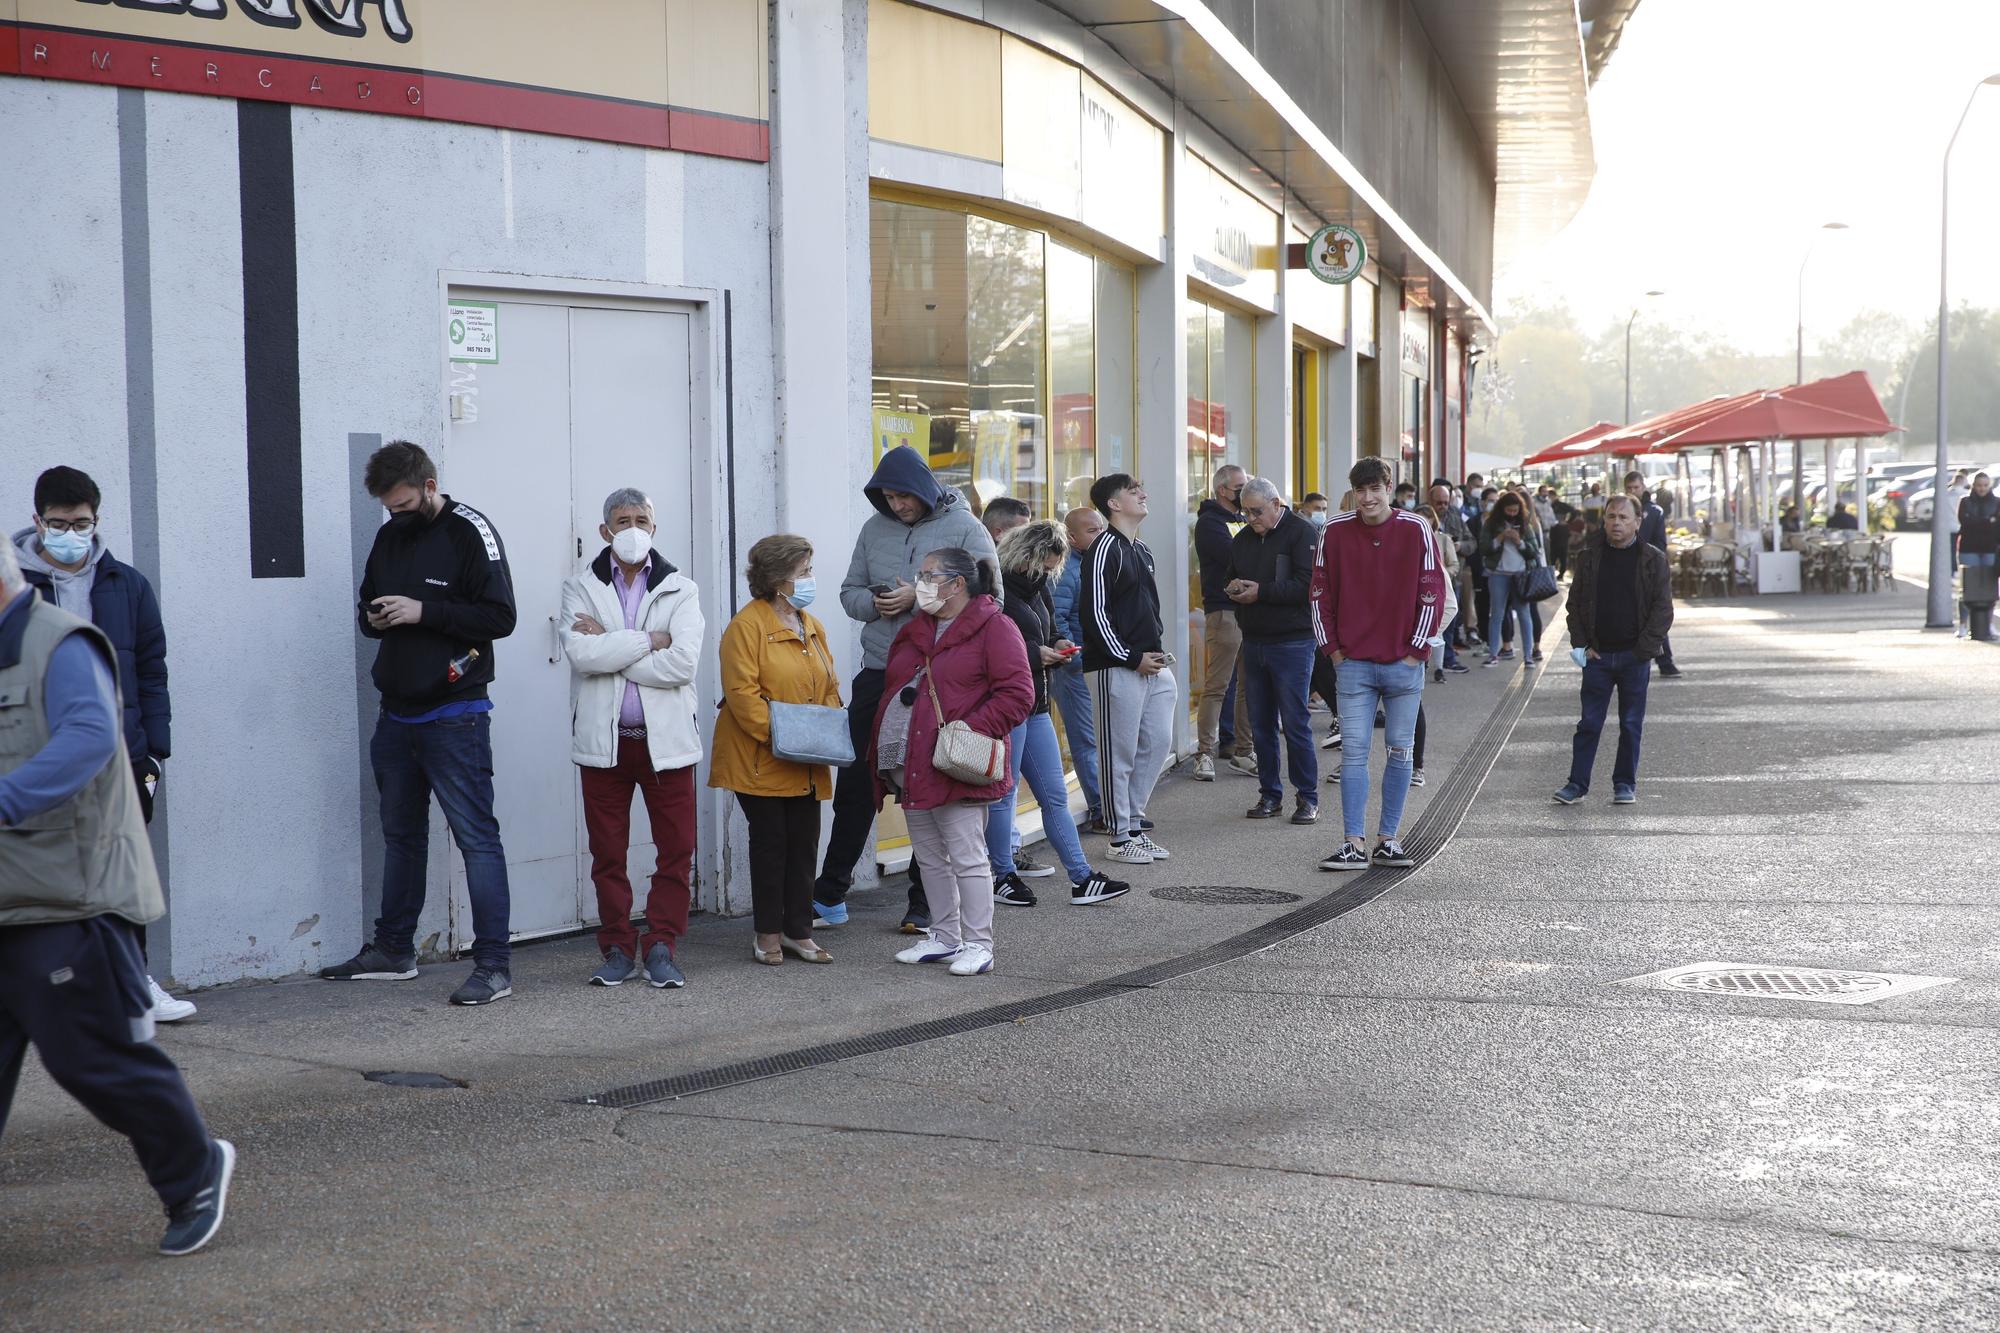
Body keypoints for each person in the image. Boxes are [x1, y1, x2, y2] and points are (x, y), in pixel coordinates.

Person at [0, 540, 235, 1256]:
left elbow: (92, 737)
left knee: (93, 1061)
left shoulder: (59, 643)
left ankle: (194, 1169)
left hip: (64, 900)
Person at [322, 441, 519, 1007]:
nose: (396, 516)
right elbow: (367, 610)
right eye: (389, 508)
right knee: (401, 837)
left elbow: (501, 617)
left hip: (455, 715)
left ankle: (494, 967)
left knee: (477, 840)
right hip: (397, 715)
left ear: (431, 486)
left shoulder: (470, 531)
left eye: (405, 505)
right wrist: (377, 617)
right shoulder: (389, 535)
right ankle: (393, 950)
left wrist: (423, 611)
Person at [14, 467, 186, 1022]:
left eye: (82, 523)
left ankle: (134, 984)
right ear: (36, 520)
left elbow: (152, 668)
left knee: (123, 873)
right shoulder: (11, 587)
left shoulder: (125, 583)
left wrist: (154, 748)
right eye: (59, 523)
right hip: (36, 757)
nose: (71, 533)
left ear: (97, 520)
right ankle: (42, 992)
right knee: (32, 872)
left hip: (122, 755)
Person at [820, 444, 998, 934]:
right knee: (857, 781)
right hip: (880, 669)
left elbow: (987, 596)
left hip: (941, 675)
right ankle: (830, 891)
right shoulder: (872, 529)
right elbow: (848, 593)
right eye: (888, 497)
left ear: (923, 487)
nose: (896, 505)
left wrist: (919, 599)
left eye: (903, 496)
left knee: (933, 784)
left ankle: (924, 905)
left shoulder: (965, 528)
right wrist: (878, 604)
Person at [559, 488, 704, 989]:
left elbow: (684, 663)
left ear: (655, 528)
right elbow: (583, 656)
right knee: (607, 853)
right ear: (605, 531)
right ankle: (618, 946)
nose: (633, 527)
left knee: (676, 849)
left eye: (642, 518)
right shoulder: (579, 587)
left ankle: (662, 943)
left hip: (665, 744)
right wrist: (650, 640)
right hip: (606, 743)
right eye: (623, 520)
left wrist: (612, 643)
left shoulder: (680, 589)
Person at [870, 547, 1034, 977]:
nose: (919, 583)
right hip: (916, 761)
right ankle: (944, 937)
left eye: (928, 575)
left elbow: (1018, 695)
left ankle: (980, 943)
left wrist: (967, 730)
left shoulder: (995, 627)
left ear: (957, 583)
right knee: (927, 855)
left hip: (958, 760)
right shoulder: (918, 629)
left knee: (967, 855)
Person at [710, 534, 842, 964]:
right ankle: (767, 933)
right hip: (761, 758)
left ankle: (798, 931)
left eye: (809, 570)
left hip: (805, 758)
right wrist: (786, 736)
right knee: (772, 845)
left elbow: (829, 685)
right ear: (777, 578)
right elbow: (742, 695)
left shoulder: (811, 624)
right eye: (803, 572)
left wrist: (823, 727)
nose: (809, 579)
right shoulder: (746, 627)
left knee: (804, 845)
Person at [986, 521, 1130, 907]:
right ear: (1025, 557)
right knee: (1004, 796)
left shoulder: (1036, 591)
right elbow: (989, 649)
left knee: (1053, 797)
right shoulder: (996, 592)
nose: (1048, 573)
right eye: (1044, 566)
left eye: (1052, 567)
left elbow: (1045, 633)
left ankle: (1082, 877)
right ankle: (1002, 874)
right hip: (1007, 707)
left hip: (1034, 705)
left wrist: (1057, 643)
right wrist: (1038, 654)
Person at [1312, 457, 1445, 872]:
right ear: (1352, 491)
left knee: (1401, 752)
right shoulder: (1333, 531)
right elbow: (1319, 595)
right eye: (1360, 490)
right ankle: (1352, 841)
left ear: (1389, 488)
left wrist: (1416, 651)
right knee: (1353, 754)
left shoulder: (1416, 528)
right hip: (1352, 663)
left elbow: (1432, 591)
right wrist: (1332, 650)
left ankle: (1389, 839)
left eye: (1375, 489)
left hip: (1403, 664)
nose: (1368, 498)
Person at [1080, 474, 1177, 867]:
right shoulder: (1104, 548)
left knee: (1157, 743)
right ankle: (1119, 836)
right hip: (1114, 666)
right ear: (1114, 504)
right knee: (1117, 753)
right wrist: (1129, 656)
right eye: (1134, 491)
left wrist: (1153, 654)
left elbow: (1147, 611)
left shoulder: (1143, 550)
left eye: (1143, 487)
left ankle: (1134, 824)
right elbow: (1094, 613)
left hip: (1151, 664)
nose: (1144, 493)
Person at [1553, 494, 1673, 806]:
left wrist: (1643, 650)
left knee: (1631, 724)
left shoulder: (1653, 559)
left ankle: (1624, 784)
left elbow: (1663, 610)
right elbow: (1575, 605)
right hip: (1598, 656)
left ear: (1637, 521)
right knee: (1589, 723)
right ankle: (1576, 784)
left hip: (1634, 657)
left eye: (1622, 517)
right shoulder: (1590, 557)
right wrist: (1582, 645)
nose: (1616, 522)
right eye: (1611, 517)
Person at [1226, 478, 1320, 825]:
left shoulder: (1302, 533)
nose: (1251, 518)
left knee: (1295, 723)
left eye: (1257, 511)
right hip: (1254, 639)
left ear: (1277, 504)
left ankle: (1307, 797)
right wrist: (1235, 590)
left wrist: (1260, 592)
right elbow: (1231, 576)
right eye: (1245, 512)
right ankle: (1270, 795)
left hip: (1293, 641)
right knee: (1261, 725)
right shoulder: (1242, 539)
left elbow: (1308, 585)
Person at [1192, 464, 1254, 782]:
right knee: (1217, 685)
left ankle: (1243, 751)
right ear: (1222, 490)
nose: (1245, 491)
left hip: (1249, 613)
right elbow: (1239, 557)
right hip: (1223, 612)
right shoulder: (1209, 523)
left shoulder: (1242, 519)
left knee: (1246, 686)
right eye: (1240, 486)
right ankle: (1204, 752)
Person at [1051, 507, 1106, 830]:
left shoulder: (1090, 563)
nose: (1099, 534)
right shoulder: (1066, 571)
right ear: (1072, 537)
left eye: (1100, 528)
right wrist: (1074, 658)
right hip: (1073, 668)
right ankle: (1100, 808)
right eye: (1092, 530)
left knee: (1096, 737)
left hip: (1090, 665)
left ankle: (1108, 805)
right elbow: (1057, 621)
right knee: (1086, 739)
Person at [1624, 471, 1682, 678]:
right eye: (1629, 488)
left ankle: (1665, 662)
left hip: (1648, 572)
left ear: (1643, 487)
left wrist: (1644, 556)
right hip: (1622, 573)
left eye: (1636, 488)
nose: (1632, 492)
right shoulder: (1619, 510)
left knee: (1654, 618)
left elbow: (1660, 544)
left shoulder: (1654, 512)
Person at [1481, 491, 1543, 669]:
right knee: (1497, 614)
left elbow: (1534, 550)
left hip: (1520, 575)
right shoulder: (1491, 524)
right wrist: (1500, 538)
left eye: (1515, 510)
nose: (1512, 514)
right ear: (1502, 509)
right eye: (1508, 510)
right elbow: (1484, 548)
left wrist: (1519, 542)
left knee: (1524, 614)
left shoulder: (1525, 525)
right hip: (1498, 574)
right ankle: (1493, 654)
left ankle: (1528, 656)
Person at [1428, 482, 1475, 667]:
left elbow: (1472, 543)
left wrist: (1460, 546)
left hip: (1452, 578)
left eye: (1446, 502)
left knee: (1449, 620)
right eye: (1439, 502)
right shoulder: (1419, 516)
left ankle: (1448, 659)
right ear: (1430, 500)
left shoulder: (1456, 516)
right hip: (1425, 583)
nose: (1442, 507)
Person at [1957, 472, 1999, 640]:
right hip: (1969, 548)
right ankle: (1962, 624)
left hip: (1990, 549)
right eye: (1979, 485)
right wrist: (1988, 521)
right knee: (1967, 588)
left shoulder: (1996, 502)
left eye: (1985, 485)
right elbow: (1965, 522)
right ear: (1973, 486)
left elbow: (1997, 525)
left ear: (1989, 486)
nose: (1982, 488)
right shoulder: (1965, 502)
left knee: (1989, 588)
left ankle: (1988, 623)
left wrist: (1980, 522)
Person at [1945, 470, 1972, 574]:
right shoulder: (1966, 495)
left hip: (1949, 526)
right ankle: (1960, 569)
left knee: (1951, 549)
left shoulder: (1946, 494)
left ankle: (1953, 570)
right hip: (1962, 525)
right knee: (1962, 549)